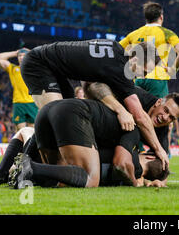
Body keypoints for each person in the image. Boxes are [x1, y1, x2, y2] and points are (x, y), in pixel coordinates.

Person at [21, 39, 169, 169]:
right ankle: (19, 166)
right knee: (55, 119)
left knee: (62, 114)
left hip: (54, 69)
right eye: (143, 71)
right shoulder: (122, 70)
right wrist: (159, 149)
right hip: (38, 64)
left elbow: (89, 83)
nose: (142, 76)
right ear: (135, 59)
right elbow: (140, 116)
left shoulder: (115, 48)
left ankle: (23, 166)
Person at [10, 88, 179, 188]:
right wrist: (137, 182)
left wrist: (160, 180)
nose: (166, 118)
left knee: (27, 134)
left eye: (172, 118)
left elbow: (163, 158)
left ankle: (6, 174)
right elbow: (121, 163)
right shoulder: (134, 113)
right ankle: (30, 168)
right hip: (76, 115)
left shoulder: (160, 131)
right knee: (89, 178)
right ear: (158, 102)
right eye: (166, 111)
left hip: (52, 110)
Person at [119, 2, 179, 154]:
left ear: (146, 17)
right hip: (158, 79)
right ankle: (163, 156)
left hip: (137, 79)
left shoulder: (134, 34)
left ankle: (137, 150)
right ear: (161, 17)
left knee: (136, 115)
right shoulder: (166, 33)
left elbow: (117, 50)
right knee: (164, 119)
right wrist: (171, 69)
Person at [0, 48, 38, 130]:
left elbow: (43, 59)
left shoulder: (34, 69)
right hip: (18, 103)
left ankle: (30, 143)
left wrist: (31, 52)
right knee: (20, 131)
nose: (21, 57)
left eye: (24, 56)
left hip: (32, 103)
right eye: (19, 56)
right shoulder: (13, 69)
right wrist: (15, 52)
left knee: (32, 130)